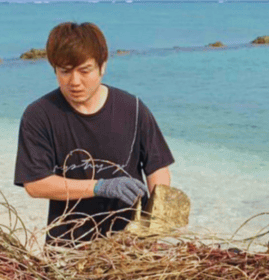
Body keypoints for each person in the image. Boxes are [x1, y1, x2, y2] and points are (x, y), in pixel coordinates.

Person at [14, 22, 174, 243]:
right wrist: (101, 186)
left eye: (84, 70)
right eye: (65, 71)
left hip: (130, 246)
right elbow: (35, 184)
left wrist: (156, 219)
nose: (75, 81)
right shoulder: (39, 115)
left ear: (103, 66)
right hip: (67, 247)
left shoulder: (133, 109)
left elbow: (157, 168)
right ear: (54, 70)